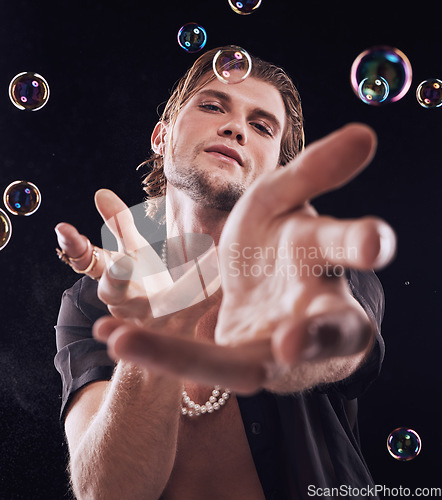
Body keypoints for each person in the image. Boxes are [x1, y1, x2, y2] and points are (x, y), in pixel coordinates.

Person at [54, 46, 395, 500]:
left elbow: (343, 343)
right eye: (213, 106)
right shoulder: (94, 301)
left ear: (278, 171)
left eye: (261, 126)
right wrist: (156, 344)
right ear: (161, 136)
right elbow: (106, 492)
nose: (235, 127)